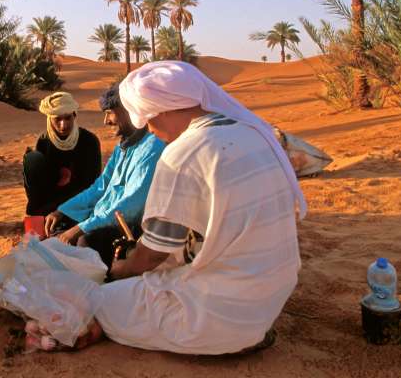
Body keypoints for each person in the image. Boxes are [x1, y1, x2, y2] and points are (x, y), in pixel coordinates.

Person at [78, 61, 307, 355]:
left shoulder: (183, 153)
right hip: (270, 298)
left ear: (161, 110)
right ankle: (249, 331)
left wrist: (121, 270)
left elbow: (150, 258)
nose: (149, 129)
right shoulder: (253, 132)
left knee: (100, 300)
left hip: (219, 313)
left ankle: (229, 340)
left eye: (147, 120)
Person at [46, 84, 166, 268]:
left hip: (129, 228)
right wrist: (62, 210)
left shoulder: (152, 147)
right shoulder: (123, 147)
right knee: (56, 232)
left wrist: (82, 228)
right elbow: (100, 186)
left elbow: (132, 204)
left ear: (129, 111)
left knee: (84, 243)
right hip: (102, 218)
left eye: (110, 113)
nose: (106, 121)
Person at [23, 92, 102, 217]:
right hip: (50, 198)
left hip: (79, 198)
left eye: (67, 118)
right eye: (57, 119)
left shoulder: (89, 141)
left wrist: (62, 209)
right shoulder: (44, 141)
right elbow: (39, 183)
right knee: (32, 159)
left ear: (74, 116)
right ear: (49, 119)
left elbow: (91, 184)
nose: (63, 125)